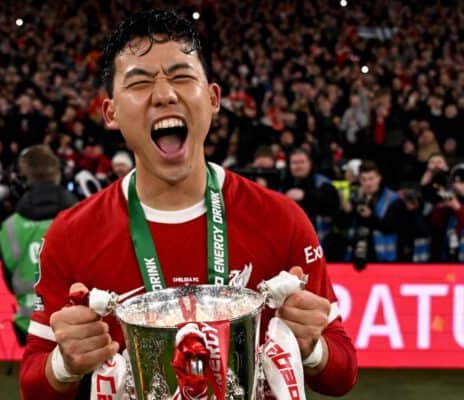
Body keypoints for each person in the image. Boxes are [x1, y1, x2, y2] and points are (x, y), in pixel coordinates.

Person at [20, 9, 357, 399]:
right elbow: (33, 384)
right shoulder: (71, 234)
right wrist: (66, 363)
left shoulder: (281, 219)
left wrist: (312, 347)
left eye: (182, 76)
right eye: (140, 82)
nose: (165, 94)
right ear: (111, 112)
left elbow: (341, 375)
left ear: (213, 98)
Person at [0, 145, 78, 346]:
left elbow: (10, 280)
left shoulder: (9, 227)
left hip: (30, 324)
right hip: (77, 324)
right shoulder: (82, 216)